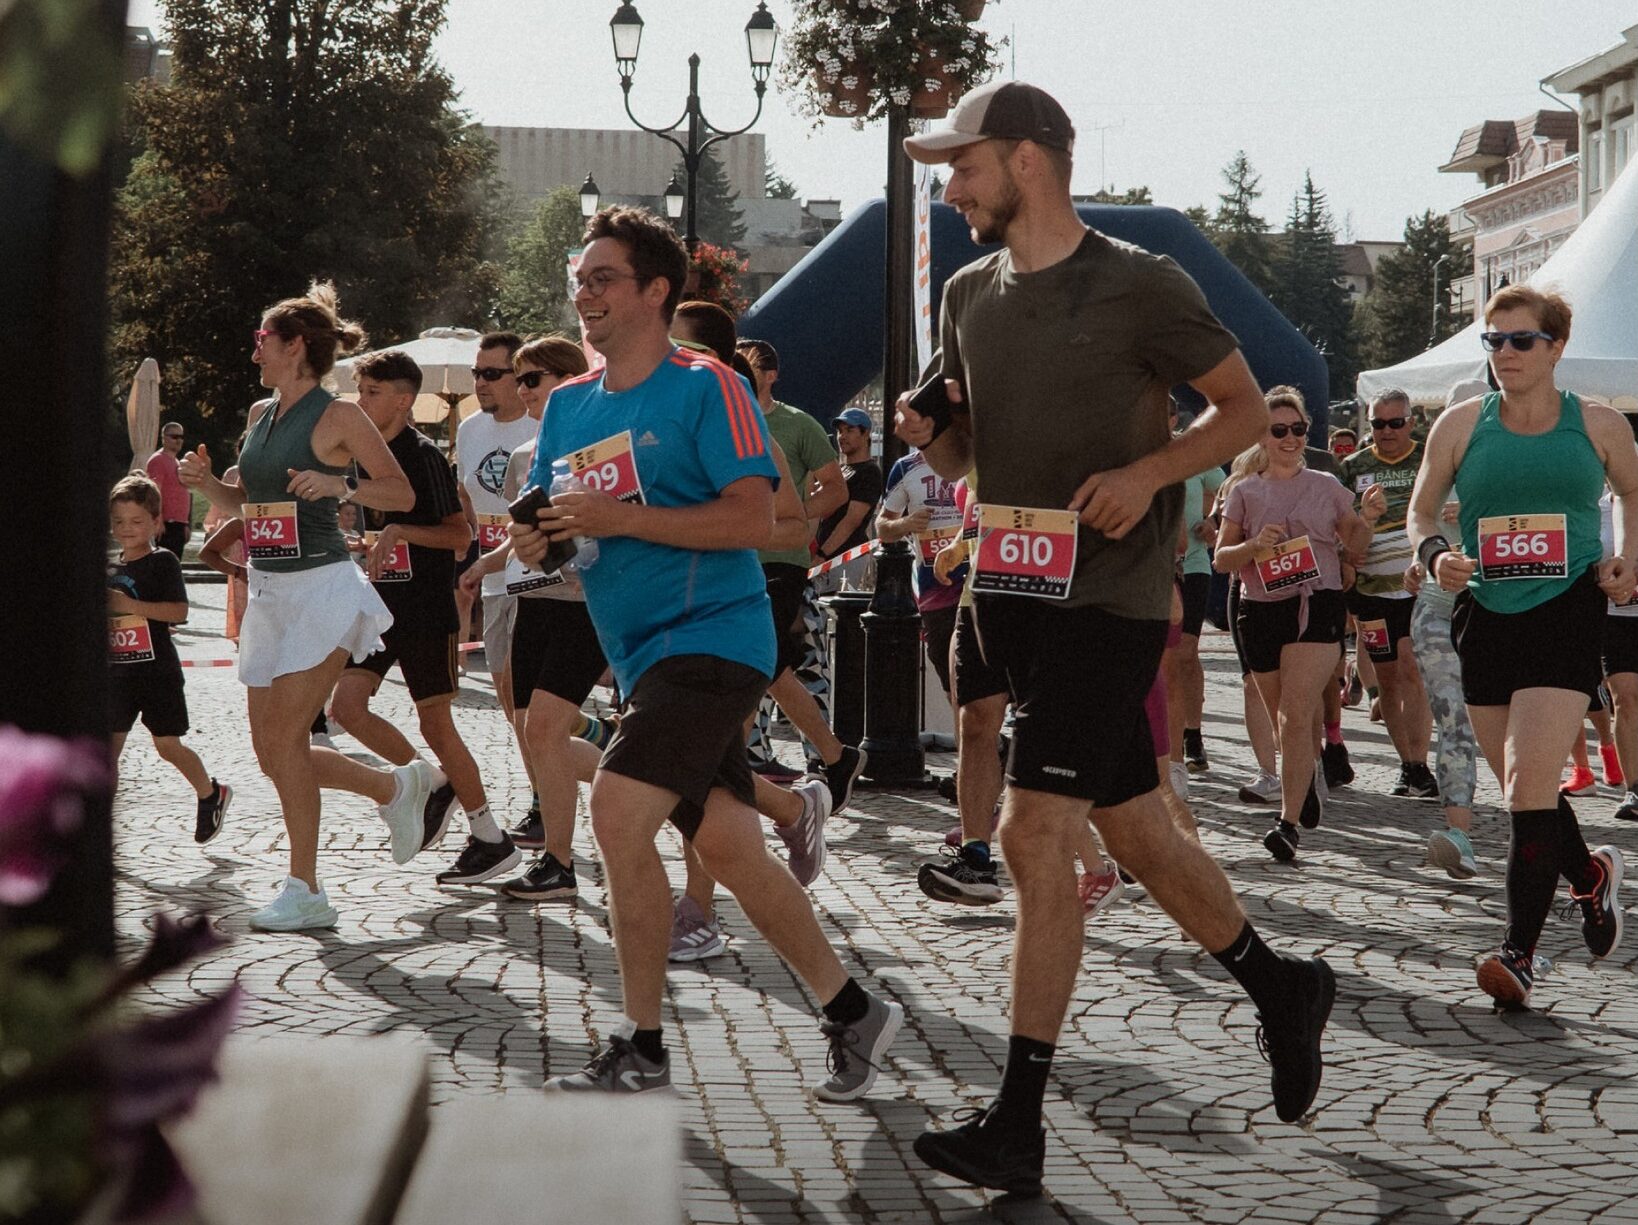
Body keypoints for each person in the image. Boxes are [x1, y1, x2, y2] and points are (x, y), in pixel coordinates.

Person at [897, 81, 1334, 1197]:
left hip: (1110, 603)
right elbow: (971, 460)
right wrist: (934, 441)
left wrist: (1147, 474)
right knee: (1138, 832)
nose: (952, 191)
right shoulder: (966, 293)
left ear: (1027, 160)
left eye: (963, 167)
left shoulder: (1143, 282)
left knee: (1034, 832)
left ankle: (1017, 1123)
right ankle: (1282, 986)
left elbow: (1241, 410)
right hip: (1009, 594)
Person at [512, 206, 902, 1098]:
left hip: (715, 638)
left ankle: (642, 1044)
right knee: (730, 847)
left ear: (656, 290)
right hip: (637, 654)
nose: (584, 294)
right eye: (579, 280)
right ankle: (852, 1010)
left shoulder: (707, 385)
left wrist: (621, 518)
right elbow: (558, 527)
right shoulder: (568, 405)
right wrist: (537, 541)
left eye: (603, 279)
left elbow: (755, 517)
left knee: (617, 811)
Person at [179, 281, 448, 932]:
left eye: (261, 340)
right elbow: (252, 506)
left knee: (287, 741)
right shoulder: (260, 415)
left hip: (324, 589)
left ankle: (305, 890)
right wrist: (207, 483)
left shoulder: (341, 416)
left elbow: (402, 494)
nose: (255, 353)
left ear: (296, 345)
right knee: (272, 753)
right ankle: (397, 786)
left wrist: (340, 482)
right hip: (268, 590)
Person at [1407, 284, 1633, 1006]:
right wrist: (1437, 553)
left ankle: (1519, 954)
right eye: (1494, 340)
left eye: (1520, 340)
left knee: (1531, 784)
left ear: (1555, 346)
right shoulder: (1460, 424)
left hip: (1567, 608)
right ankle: (1590, 875)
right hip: (1485, 612)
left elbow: (1634, 492)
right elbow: (1420, 510)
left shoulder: (1597, 423)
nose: (1504, 353)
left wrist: (1628, 558)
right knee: (1519, 789)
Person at [327, 350, 517, 886]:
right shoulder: (364, 454)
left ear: (403, 400)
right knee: (347, 707)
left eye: (372, 392)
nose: (361, 401)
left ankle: (490, 838)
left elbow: (460, 535)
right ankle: (431, 782)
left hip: (426, 611)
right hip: (379, 608)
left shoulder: (423, 455)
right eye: (359, 391)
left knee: (436, 723)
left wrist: (402, 531)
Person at [1215, 388, 1375, 860]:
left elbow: (1356, 542)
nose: (1290, 438)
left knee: (1294, 712)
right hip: (1260, 610)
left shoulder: (1326, 485)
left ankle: (1286, 825)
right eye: (1279, 430)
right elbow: (1222, 559)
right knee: (1284, 719)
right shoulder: (1244, 491)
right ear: (1261, 436)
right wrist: (1253, 547)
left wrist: (1367, 517)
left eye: (1298, 429)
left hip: (1317, 603)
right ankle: (1304, 779)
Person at [736, 338, 849, 780]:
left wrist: (795, 514)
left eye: (751, 367)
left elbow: (836, 488)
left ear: (770, 376)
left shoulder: (798, 424)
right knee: (768, 661)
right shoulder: (717, 424)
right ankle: (827, 755)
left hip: (782, 559)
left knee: (763, 660)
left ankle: (736, 761)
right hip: (736, 558)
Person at [107, 474, 230, 844]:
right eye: (119, 521)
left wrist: (130, 606)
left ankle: (210, 793)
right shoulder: (111, 568)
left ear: (156, 522)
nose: (127, 529)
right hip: (118, 675)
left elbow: (178, 611)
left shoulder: (163, 562)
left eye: (136, 521)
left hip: (157, 673)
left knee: (167, 746)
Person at [455, 332, 541, 831]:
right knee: (510, 703)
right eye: (477, 373)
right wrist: (472, 556)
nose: (481, 383)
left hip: (537, 576)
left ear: (519, 376)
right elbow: (468, 496)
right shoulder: (469, 429)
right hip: (492, 577)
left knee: (527, 699)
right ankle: (544, 795)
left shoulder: (542, 423)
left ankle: (544, 802)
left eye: (492, 374)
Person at [1340, 389, 1437, 799]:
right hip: (1371, 591)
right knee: (1389, 679)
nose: (1387, 431)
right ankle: (1407, 764)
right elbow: (1341, 529)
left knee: (1412, 667)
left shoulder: (1428, 456)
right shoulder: (1353, 467)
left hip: (1418, 586)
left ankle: (1422, 763)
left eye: (1396, 423)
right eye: (1379, 424)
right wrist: (1355, 539)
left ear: (1410, 423)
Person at [816, 407, 882, 562]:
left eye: (849, 430)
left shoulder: (869, 471)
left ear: (865, 433)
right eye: (840, 431)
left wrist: (822, 555)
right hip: (826, 556)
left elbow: (851, 521)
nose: (842, 436)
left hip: (845, 557)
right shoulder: (841, 469)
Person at [145, 421, 194, 558]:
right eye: (174, 436)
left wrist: (185, 524)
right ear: (164, 438)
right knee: (166, 565)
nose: (179, 440)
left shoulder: (176, 462)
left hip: (178, 524)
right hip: (167, 524)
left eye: (181, 437)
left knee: (174, 564)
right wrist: (158, 519)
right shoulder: (158, 460)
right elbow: (154, 491)